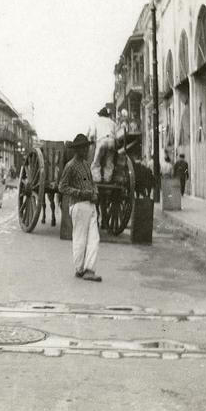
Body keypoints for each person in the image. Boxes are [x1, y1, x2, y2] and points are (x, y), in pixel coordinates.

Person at [59, 133, 102, 282]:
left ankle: (89, 269)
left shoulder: (85, 165)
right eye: (85, 148)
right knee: (80, 239)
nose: (87, 151)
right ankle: (79, 268)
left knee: (94, 238)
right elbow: (62, 187)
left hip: (90, 204)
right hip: (78, 204)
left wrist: (94, 192)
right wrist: (81, 193)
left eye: (87, 148)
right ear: (78, 150)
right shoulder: (70, 166)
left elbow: (92, 183)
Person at [87, 107, 116, 183]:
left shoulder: (96, 121)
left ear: (100, 115)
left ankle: (97, 179)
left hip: (101, 141)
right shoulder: (112, 122)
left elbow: (92, 135)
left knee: (96, 162)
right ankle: (107, 180)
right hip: (111, 142)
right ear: (107, 115)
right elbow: (116, 135)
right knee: (109, 163)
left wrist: (90, 141)